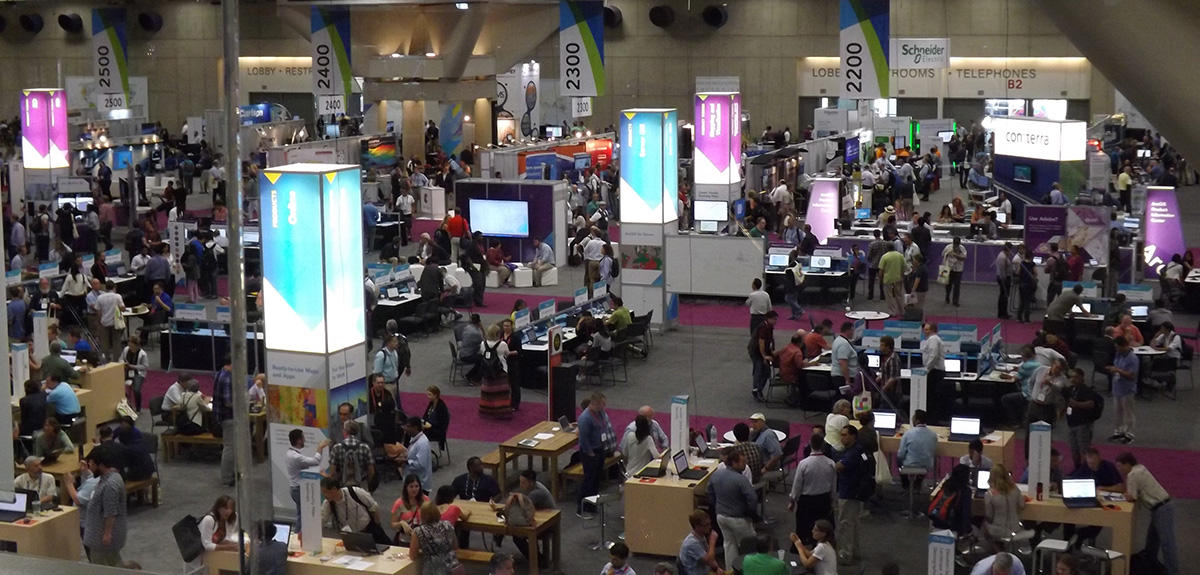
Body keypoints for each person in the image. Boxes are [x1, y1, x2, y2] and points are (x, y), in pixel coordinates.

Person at [1115, 452, 1178, 574]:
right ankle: (1151, 567)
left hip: (1161, 509)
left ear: (1127, 464)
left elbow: (1131, 497)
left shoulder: (1132, 474)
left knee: (1167, 545)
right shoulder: (1141, 467)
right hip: (1161, 507)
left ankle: (1173, 572)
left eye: (1119, 466)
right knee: (1152, 544)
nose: (1119, 469)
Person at [707, 448, 759, 564]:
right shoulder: (741, 479)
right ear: (734, 463)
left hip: (721, 516)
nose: (745, 465)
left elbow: (709, 491)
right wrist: (750, 513)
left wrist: (717, 505)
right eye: (743, 462)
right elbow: (752, 498)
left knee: (729, 545)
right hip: (738, 518)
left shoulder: (716, 474)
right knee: (750, 546)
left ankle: (731, 570)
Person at [788, 433, 836, 545]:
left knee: (802, 526)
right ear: (823, 446)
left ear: (810, 445)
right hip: (823, 500)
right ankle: (819, 549)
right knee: (821, 527)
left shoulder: (804, 464)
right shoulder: (831, 463)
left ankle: (800, 550)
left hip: (807, 501)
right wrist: (832, 500)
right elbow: (833, 486)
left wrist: (792, 500)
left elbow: (797, 485)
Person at [84, 445, 128, 566]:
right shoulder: (108, 478)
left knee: (106, 568)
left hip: (103, 540)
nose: (90, 468)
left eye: (91, 464)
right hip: (98, 537)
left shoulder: (110, 485)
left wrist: (107, 534)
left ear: (101, 465)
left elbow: (111, 511)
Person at [835, 425, 871, 565]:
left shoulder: (852, 453)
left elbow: (839, 466)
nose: (842, 437)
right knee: (854, 524)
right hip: (857, 492)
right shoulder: (860, 449)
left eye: (845, 435)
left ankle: (845, 554)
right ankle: (855, 552)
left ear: (853, 436)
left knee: (845, 524)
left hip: (849, 492)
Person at [576, 392, 615, 517]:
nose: (604, 406)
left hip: (600, 449)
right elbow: (583, 439)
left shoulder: (601, 413)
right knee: (589, 479)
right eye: (602, 404)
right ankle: (581, 505)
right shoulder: (585, 418)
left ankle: (592, 504)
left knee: (597, 479)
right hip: (590, 452)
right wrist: (590, 453)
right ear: (595, 404)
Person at [322, 477, 388, 544]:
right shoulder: (328, 503)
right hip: (351, 536)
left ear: (334, 489)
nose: (324, 495)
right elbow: (322, 519)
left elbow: (374, 507)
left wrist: (378, 525)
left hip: (369, 530)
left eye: (326, 492)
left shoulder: (355, 492)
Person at [286, 429, 331, 520]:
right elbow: (315, 461)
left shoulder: (290, 454)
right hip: (298, 489)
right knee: (302, 517)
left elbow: (301, 469)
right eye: (303, 438)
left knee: (301, 515)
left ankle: (299, 533)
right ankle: (299, 533)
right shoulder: (296, 457)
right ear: (299, 440)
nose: (305, 440)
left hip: (295, 489)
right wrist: (320, 448)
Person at [410, 502, 462, 575]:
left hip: (432, 569)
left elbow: (413, 555)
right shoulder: (448, 525)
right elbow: (455, 545)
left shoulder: (418, 531)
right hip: (452, 566)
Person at [1107, 336, 1138, 444]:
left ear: (1124, 345)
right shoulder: (1118, 354)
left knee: (1128, 413)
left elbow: (1132, 375)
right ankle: (1119, 432)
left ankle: (1129, 434)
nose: (1116, 349)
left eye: (1118, 347)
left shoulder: (1132, 358)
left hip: (1127, 389)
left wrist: (1118, 370)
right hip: (1117, 387)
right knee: (1117, 412)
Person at [983, 463, 1025, 541]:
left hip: (997, 529)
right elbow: (1021, 505)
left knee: (985, 529)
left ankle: (998, 550)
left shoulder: (989, 494)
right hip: (1014, 527)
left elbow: (989, 516)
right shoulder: (1015, 489)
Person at [478, 324, 512, 419]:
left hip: (487, 371)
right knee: (501, 394)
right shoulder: (502, 344)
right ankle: (502, 411)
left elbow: (481, 353)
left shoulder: (483, 343)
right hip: (501, 371)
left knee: (488, 392)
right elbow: (507, 353)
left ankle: (487, 410)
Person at [897, 410, 937, 488]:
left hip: (909, 465)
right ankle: (918, 481)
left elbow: (901, 454)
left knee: (898, 459)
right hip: (927, 465)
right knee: (923, 458)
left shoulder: (908, 434)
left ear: (917, 420)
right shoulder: (933, 435)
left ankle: (905, 484)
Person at [330, 420, 374, 488]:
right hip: (360, 484)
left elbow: (333, 472)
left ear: (344, 431)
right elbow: (371, 471)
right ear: (357, 431)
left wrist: (338, 483)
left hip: (343, 484)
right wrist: (366, 482)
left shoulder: (336, 448)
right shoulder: (365, 447)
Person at [212, 355, 235, 485]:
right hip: (228, 417)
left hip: (222, 417)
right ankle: (227, 478)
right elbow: (228, 402)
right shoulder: (227, 378)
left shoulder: (220, 374)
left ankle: (231, 474)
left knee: (230, 447)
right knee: (229, 448)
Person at [922, 322, 949, 422]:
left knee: (931, 397)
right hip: (934, 371)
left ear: (932, 330)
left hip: (934, 371)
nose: (924, 332)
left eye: (926, 330)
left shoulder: (933, 339)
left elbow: (933, 355)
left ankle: (932, 419)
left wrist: (927, 369)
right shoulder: (933, 339)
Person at [750, 311, 778, 402]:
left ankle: (758, 389)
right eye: (774, 319)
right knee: (758, 371)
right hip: (757, 352)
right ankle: (756, 390)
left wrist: (772, 349)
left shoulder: (769, 327)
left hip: (765, 351)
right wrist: (764, 356)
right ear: (768, 319)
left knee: (766, 372)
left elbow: (771, 338)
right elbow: (761, 343)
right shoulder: (763, 328)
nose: (776, 321)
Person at [119, 339, 149, 412]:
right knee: (118, 385)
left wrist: (134, 367)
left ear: (137, 345)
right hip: (127, 371)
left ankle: (138, 408)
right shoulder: (126, 350)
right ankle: (126, 403)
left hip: (138, 373)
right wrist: (124, 363)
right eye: (129, 345)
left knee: (136, 390)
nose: (131, 348)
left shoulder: (143, 354)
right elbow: (120, 359)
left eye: (132, 346)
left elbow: (145, 367)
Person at [831, 321, 859, 391]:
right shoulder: (844, 344)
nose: (853, 333)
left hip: (839, 375)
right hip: (843, 377)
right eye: (852, 330)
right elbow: (843, 362)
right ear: (847, 331)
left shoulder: (837, 340)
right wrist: (847, 380)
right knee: (844, 398)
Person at [879, 245, 906, 317]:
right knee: (899, 295)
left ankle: (892, 311)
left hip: (888, 279)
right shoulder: (899, 255)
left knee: (889, 296)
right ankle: (902, 311)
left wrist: (880, 279)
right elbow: (904, 266)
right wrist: (902, 275)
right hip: (897, 278)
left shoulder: (884, 256)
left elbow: (881, 270)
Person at [942, 236, 967, 306]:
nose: (956, 246)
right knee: (948, 284)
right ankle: (947, 296)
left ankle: (955, 301)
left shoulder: (962, 249)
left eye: (957, 244)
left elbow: (964, 258)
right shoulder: (948, 247)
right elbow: (942, 254)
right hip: (949, 268)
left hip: (958, 269)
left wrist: (955, 255)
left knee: (957, 285)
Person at [994, 243, 1013, 319]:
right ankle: (1002, 313)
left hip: (1004, 277)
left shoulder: (1003, 255)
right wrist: (1004, 279)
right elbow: (1002, 269)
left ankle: (1003, 312)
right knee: (1004, 295)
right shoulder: (1002, 257)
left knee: (1004, 295)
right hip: (1004, 278)